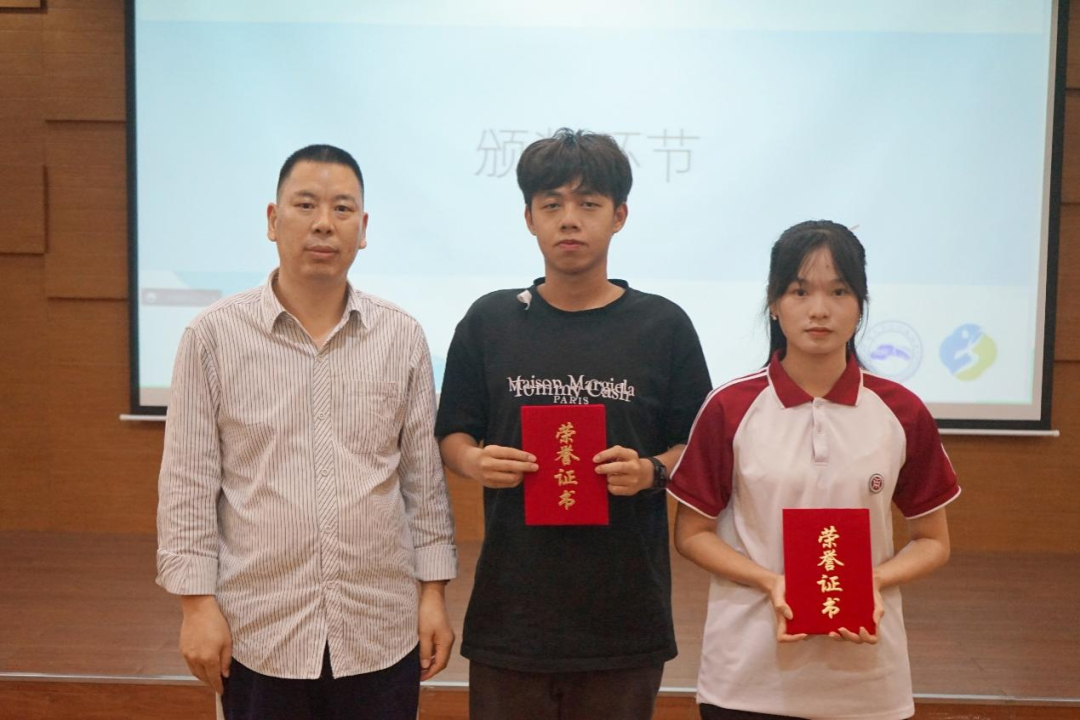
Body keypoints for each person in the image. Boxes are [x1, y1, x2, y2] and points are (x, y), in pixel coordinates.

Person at [156, 144, 458, 720]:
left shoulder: (401, 337)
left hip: (380, 627)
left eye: (342, 208)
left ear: (363, 229)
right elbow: (187, 484)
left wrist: (433, 594)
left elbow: (423, 483)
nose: (324, 223)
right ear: (273, 220)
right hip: (258, 630)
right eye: (305, 205)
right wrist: (196, 606)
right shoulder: (212, 337)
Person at [436, 128, 713, 720]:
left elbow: (699, 444)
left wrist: (651, 470)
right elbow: (452, 433)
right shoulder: (489, 321)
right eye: (551, 204)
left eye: (588, 203)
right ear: (529, 218)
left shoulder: (663, 326)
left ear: (619, 216)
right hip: (512, 614)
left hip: (624, 616)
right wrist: (474, 461)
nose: (569, 220)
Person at [669, 220, 960, 720]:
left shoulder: (901, 411)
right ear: (774, 303)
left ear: (861, 305)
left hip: (869, 685)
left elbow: (933, 540)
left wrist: (870, 581)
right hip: (745, 679)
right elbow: (691, 534)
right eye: (800, 291)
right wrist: (770, 581)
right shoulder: (729, 408)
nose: (819, 309)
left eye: (839, 291)